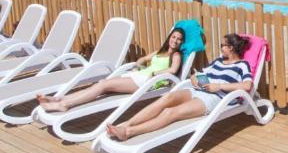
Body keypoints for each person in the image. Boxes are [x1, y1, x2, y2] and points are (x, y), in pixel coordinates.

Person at [106, 33, 253, 141]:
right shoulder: (218, 61)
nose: (220, 48)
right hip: (199, 89)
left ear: (231, 48)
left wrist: (219, 86)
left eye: (223, 45)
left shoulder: (242, 65)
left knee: (171, 112)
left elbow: (247, 85)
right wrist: (195, 78)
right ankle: (127, 123)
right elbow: (200, 73)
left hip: (214, 97)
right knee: (167, 98)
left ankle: (129, 132)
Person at [35, 27, 186, 113]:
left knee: (103, 85)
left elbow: (172, 71)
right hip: (138, 75)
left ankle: (65, 104)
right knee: (102, 83)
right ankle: (60, 99)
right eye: (173, 37)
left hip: (146, 82)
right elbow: (143, 59)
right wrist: (140, 63)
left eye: (179, 39)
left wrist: (154, 73)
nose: (175, 40)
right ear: (169, 38)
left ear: (181, 42)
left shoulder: (176, 55)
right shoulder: (160, 52)